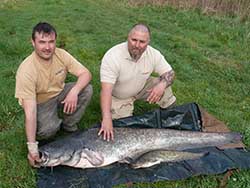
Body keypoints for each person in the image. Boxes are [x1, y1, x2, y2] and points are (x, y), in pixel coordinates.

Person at [15, 22, 93, 167]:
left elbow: (86, 73)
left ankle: (69, 126)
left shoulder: (61, 54)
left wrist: (74, 92)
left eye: (51, 42)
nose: (47, 47)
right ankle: (52, 124)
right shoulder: (26, 70)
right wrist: (32, 149)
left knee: (86, 89)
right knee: (48, 131)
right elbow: (30, 112)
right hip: (40, 102)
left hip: (59, 93)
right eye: (42, 42)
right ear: (33, 42)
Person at [99, 23, 176, 141]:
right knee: (122, 128)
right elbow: (106, 91)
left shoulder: (153, 54)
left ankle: (171, 120)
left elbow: (170, 73)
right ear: (127, 38)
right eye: (134, 40)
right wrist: (106, 118)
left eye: (142, 42)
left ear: (148, 42)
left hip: (141, 87)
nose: (137, 45)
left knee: (164, 87)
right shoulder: (112, 56)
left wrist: (162, 85)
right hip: (119, 96)